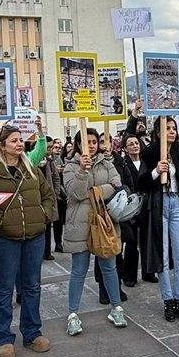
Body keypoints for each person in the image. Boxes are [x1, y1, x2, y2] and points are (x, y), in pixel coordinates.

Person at [0, 126, 56, 357]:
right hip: (5, 240)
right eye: (14, 141)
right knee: (3, 289)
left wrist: (44, 215)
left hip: (34, 236)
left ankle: (32, 333)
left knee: (32, 286)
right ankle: (3, 338)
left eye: (21, 140)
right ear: (2, 145)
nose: (20, 144)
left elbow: (48, 195)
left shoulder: (32, 169)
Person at [62, 127, 128, 335]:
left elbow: (117, 185)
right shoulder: (70, 167)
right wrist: (83, 171)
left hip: (103, 222)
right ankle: (73, 314)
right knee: (79, 271)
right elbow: (75, 193)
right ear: (78, 145)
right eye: (86, 142)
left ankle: (116, 308)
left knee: (109, 267)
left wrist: (97, 191)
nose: (91, 146)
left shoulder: (107, 163)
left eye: (93, 142)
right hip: (80, 224)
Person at [139, 116, 179, 322]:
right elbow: (141, 183)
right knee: (162, 255)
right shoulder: (149, 153)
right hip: (158, 205)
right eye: (167, 128)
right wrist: (156, 171)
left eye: (174, 128)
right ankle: (168, 299)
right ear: (158, 132)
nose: (172, 131)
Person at [114, 134, 149, 287]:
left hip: (147, 206)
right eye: (131, 144)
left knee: (147, 241)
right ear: (125, 148)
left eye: (136, 143)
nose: (135, 146)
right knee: (131, 242)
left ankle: (149, 272)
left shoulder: (147, 162)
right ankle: (129, 276)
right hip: (131, 208)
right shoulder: (123, 164)